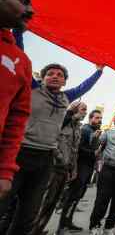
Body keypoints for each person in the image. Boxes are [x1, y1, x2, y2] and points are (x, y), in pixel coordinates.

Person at [0, 62, 102, 235]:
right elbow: (21, 63)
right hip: (20, 153)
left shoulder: (66, 98)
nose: (55, 76)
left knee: (28, 214)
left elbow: (84, 86)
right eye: (50, 74)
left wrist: (99, 71)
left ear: (64, 82)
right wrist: (18, 33)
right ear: (43, 78)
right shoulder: (32, 89)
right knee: (3, 203)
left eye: (60, 75)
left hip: (45, 159)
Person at [0, 0, 34, 200]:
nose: (31, 11)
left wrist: (5, 170)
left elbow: (17, 118)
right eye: (23, 1)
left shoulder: (21, 61)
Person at [34, 101, 87, 235]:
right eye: (83, 109)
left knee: (53, 203)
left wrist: (73, 169)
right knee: (44, 201)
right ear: (74, 109)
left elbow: (75, 151)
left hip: (65, 170)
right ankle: (31, 230)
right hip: (53, 168)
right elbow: (52, 140)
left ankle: (39, 229)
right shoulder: (63, 121)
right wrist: (60, 157)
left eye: (86, 110)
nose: (85, 112)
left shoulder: (77, 128)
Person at [57, 109, 103, 233]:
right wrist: (94, 153)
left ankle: (68, 222)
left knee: (77, 197)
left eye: (100, 118)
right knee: (72, 197)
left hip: (87, 168)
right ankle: (62, 225)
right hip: (80, 167)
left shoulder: (95, 131)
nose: (100, 120)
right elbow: (79, 149)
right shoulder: (86, 130)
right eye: (97, 117)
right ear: (91, 118)